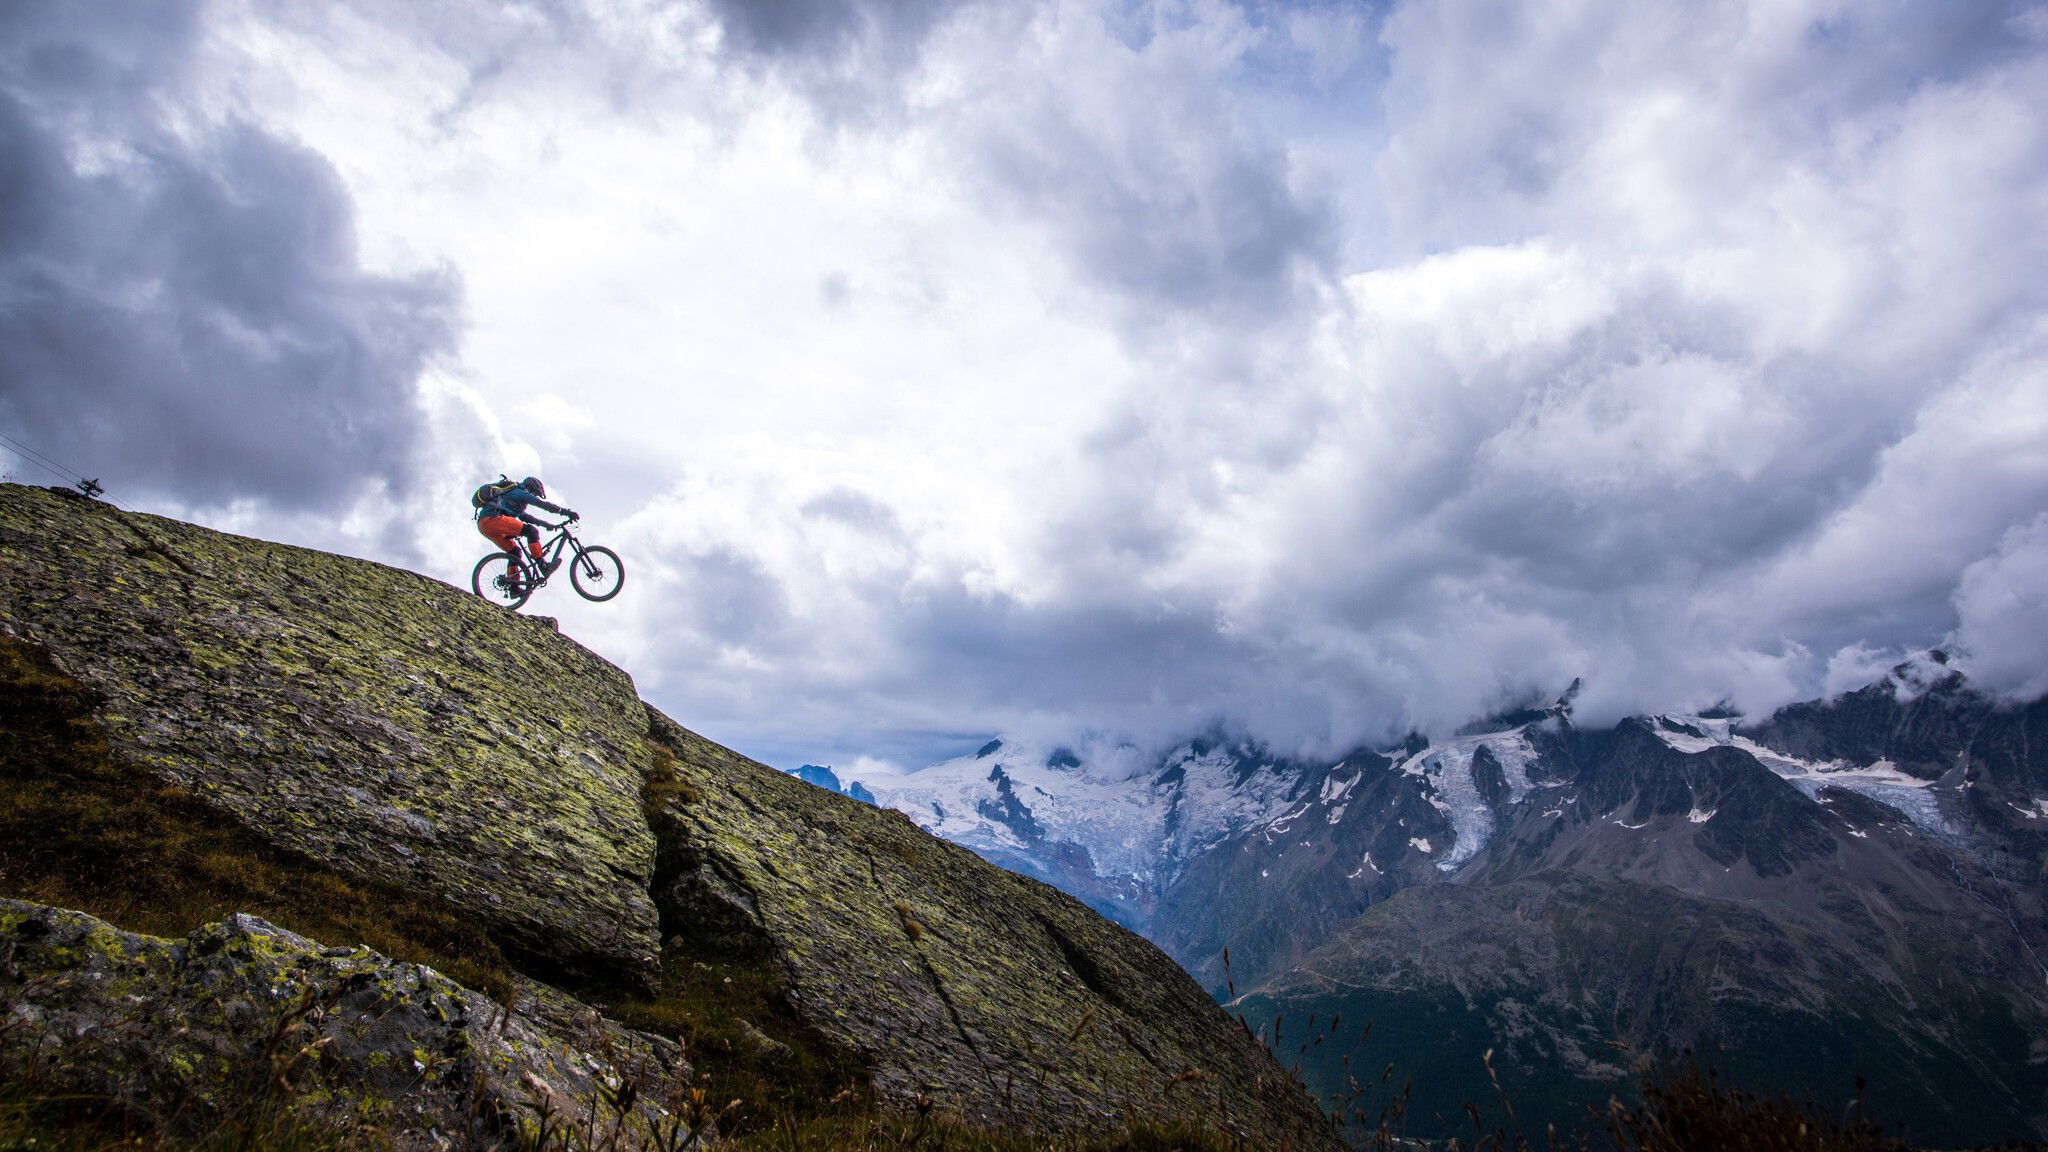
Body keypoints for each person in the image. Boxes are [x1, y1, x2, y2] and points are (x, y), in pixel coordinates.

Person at [476, 476, 577, 583]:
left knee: (515, 552)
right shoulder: (520, 493)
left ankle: (513, 586)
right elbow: (542, 504)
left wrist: (546, 525)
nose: (534, 496)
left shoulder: (514, 498)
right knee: (531, 531)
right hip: (492, 519)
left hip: (484, 525)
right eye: (535, 493)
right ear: (531, 488)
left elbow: (525, 517)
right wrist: (565, 512)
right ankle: (543, 565)